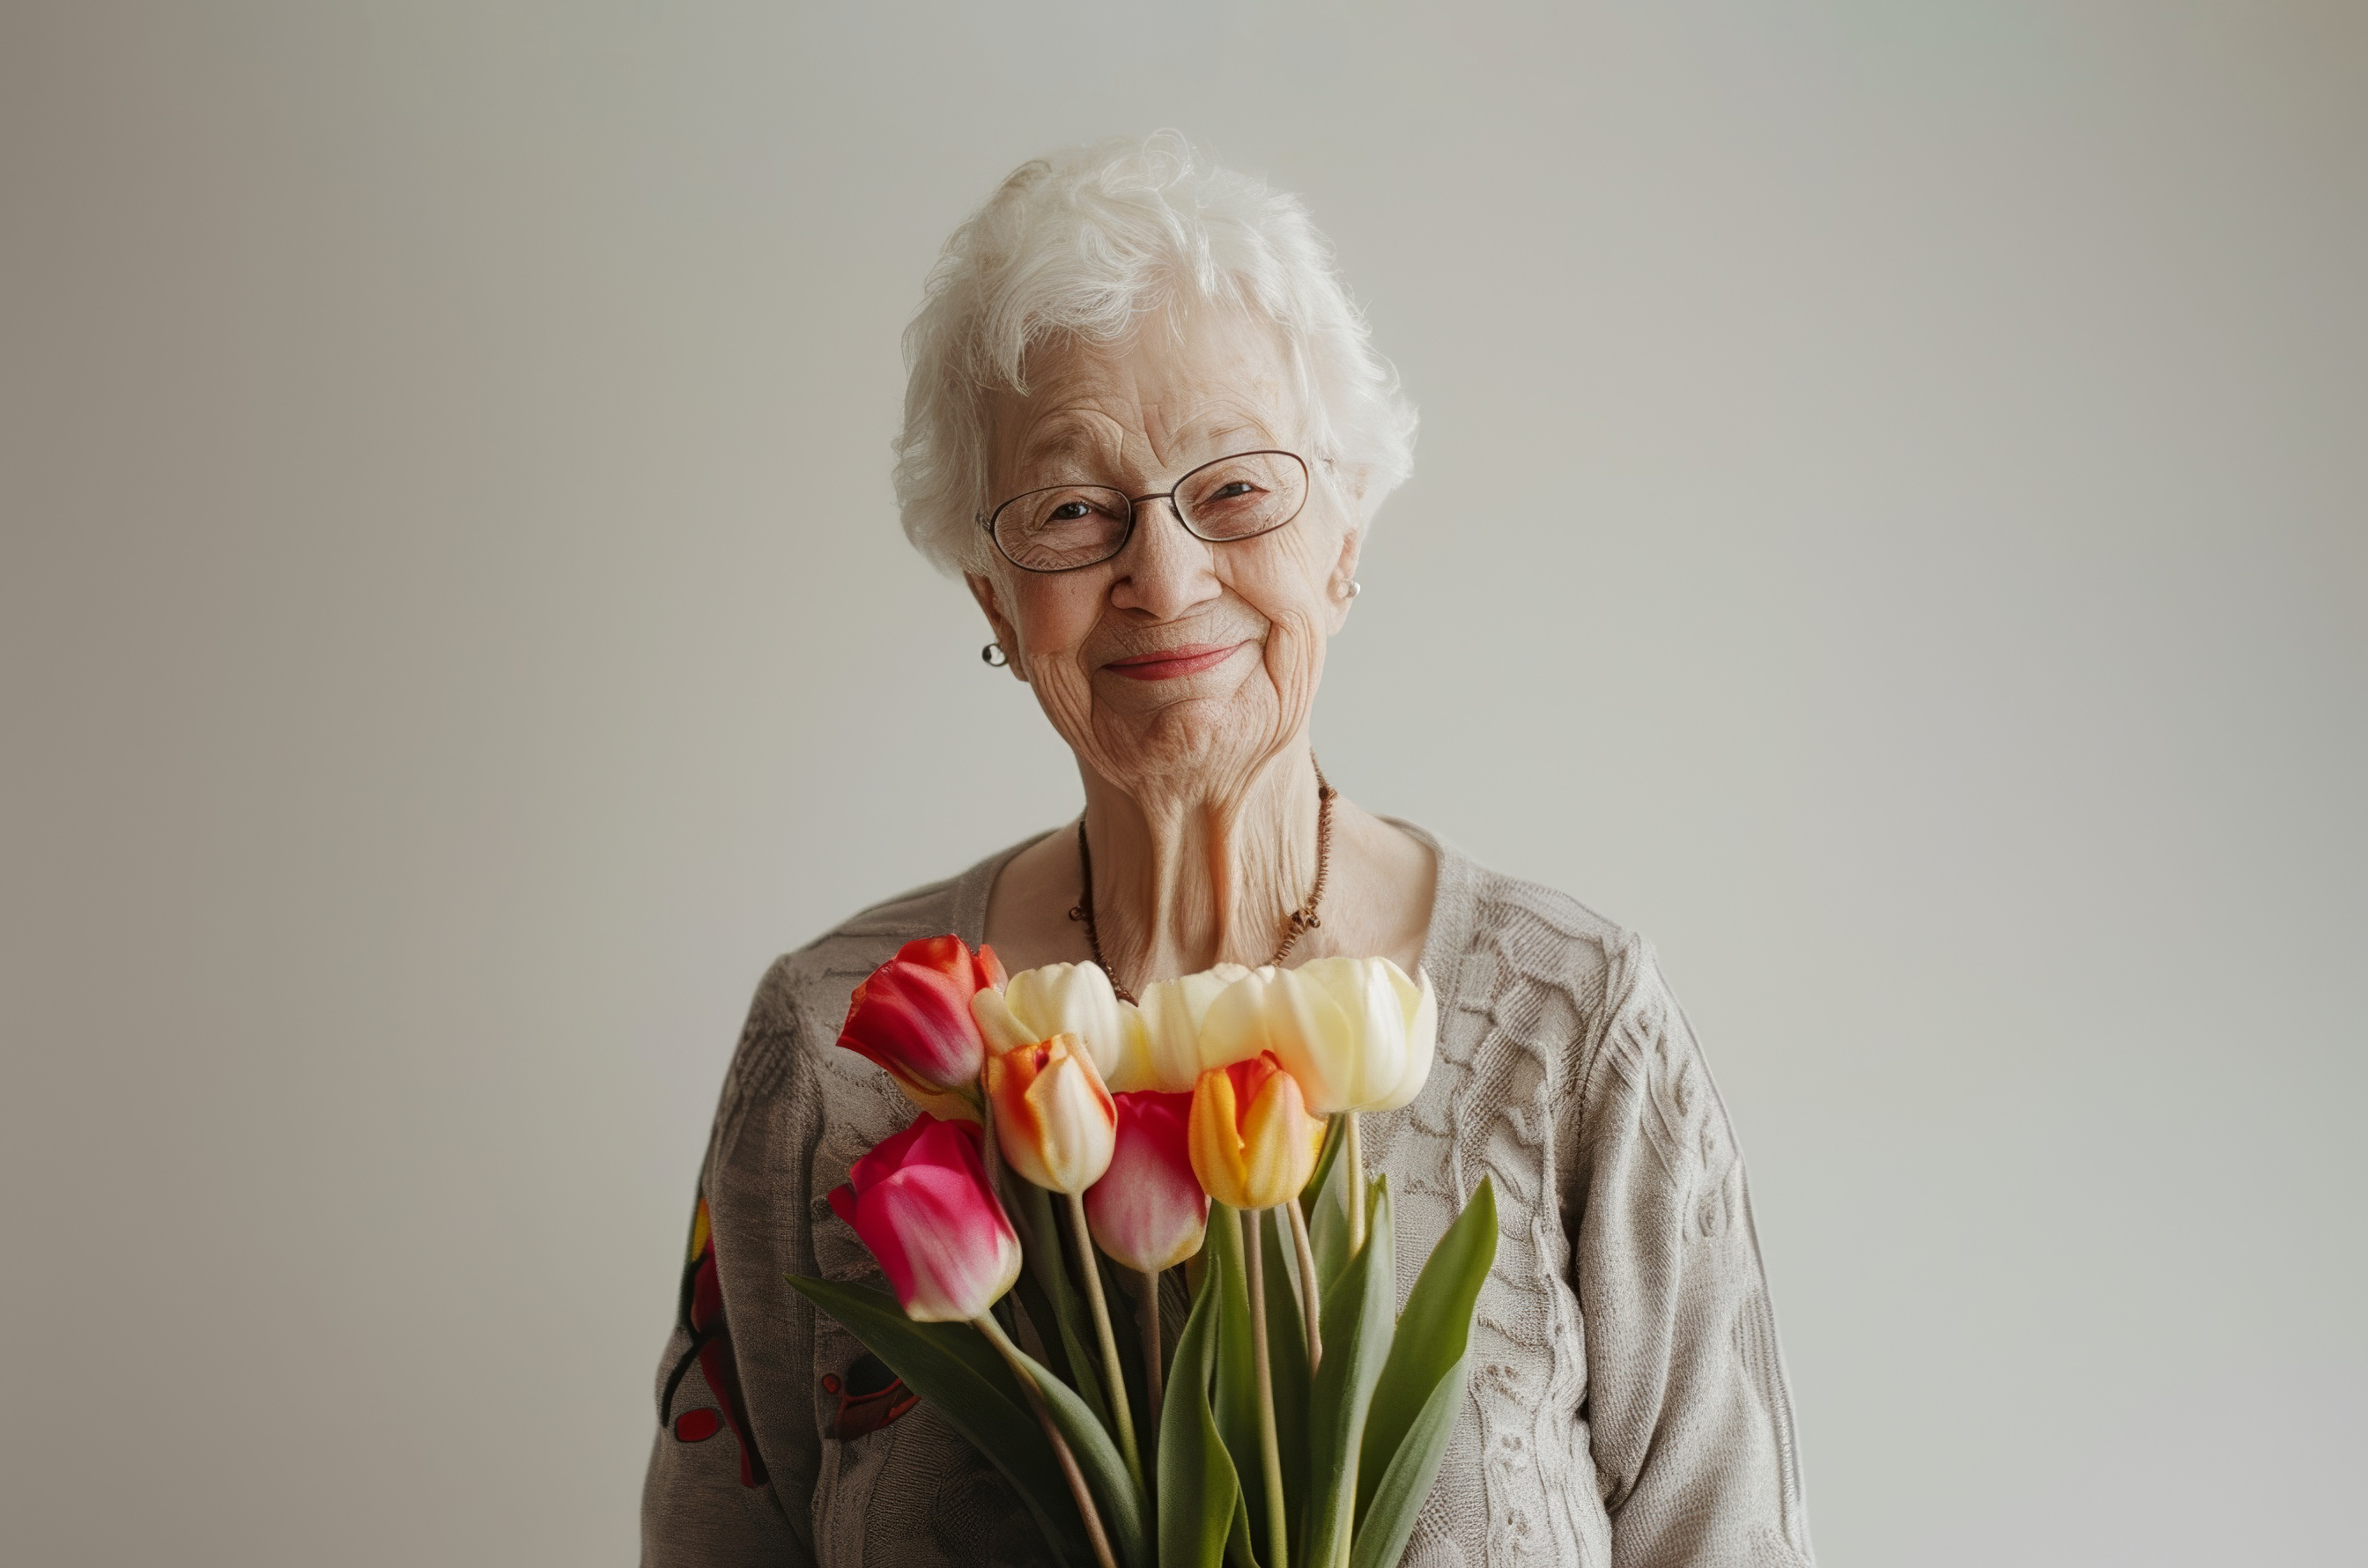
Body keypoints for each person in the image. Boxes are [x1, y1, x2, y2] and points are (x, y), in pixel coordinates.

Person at [641, 131, 1814, 1568]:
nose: (1166, 575)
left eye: (1238, 490)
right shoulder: (832, 1051)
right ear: (992, 592)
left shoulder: (1578, 1030)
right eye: (1074, 511)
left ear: (1344, 529)